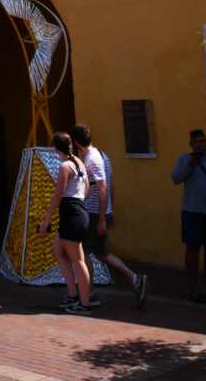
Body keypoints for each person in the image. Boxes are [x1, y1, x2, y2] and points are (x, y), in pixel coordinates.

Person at [72, 123, 147, 308]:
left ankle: (89, 294)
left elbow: (103, 188)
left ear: (75, 142)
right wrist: (108, 212)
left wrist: (101, 219)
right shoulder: (102, 156)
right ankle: (135, 279)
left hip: (92, 214)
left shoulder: (91, 159)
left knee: (85, 254)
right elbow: (111, 185)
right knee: (101, 253)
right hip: (100, 213)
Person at [38, 130, 92, 315]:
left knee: (78, 260)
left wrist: (46, 222)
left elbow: (58, 196)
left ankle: (85, 304)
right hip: (79, 211)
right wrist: (78, 202)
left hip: (71, 213)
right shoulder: (79, 163)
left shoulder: (64, 167)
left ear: (55, 148)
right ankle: (72, 295)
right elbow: (86, 191)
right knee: (59, 251)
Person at [171, 128, 206, 302]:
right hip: (191, 212)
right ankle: (193, 289)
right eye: (195, 142)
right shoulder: (184, 159)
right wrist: (189, 165)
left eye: (201, 142)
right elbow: (175, 179)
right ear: (191, 144)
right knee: (192, 251)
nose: (199, 145)